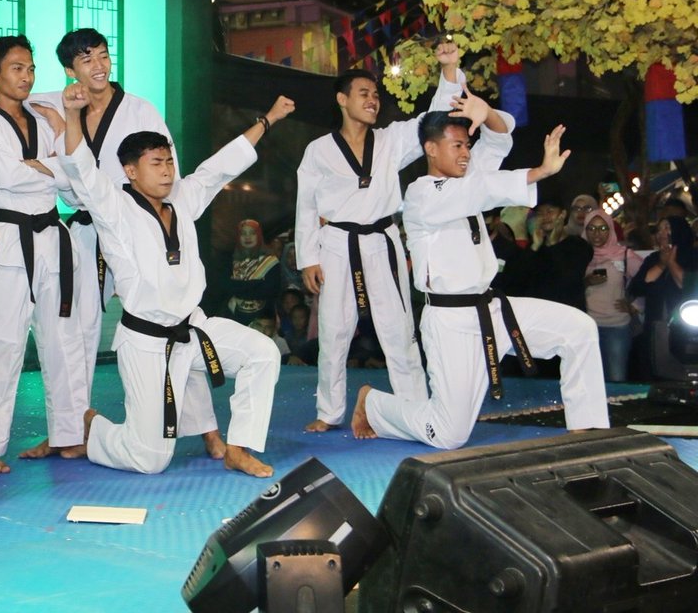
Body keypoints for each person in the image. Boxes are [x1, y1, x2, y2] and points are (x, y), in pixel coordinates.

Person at [58, 85, 294, 477]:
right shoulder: (113, 207)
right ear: (131, 171)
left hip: (192, 329)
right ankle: (96, 430)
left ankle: (239, 447)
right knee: (150, 459)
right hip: (146, 342)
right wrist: (70, 115)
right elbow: (80, 167)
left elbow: (221, 166)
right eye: (156, 163)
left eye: (169, 161)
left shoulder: (183, 198)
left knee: (262, 353)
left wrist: (268, 120)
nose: (168, 170)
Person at [353, 101, 610, 449]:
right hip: (451, 321)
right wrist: (539, 172)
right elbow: (480, 191)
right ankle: (373, 404)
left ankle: (588, 430)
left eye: (467, 146)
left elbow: (499, 139)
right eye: (456, 145)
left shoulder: (468, 177)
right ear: (431, 149)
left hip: (492, 309)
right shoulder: (420, 194)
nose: (465, 154)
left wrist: (485, 111)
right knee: (448, 435)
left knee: (579, 329)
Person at [25, 28, 223, 458]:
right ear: (71, 70)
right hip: (85, 230)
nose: (98, 66)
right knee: (74, 335)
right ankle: (69, 431)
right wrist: (60, 120)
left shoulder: (139, 110)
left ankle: (207, 429)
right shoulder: (61, 103)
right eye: (87, 60)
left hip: (136, 230)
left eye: (103, 55)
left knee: (175, 322)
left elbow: (166, 171)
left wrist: (166, 226)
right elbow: (19, 95)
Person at [295, 38, 463, 432]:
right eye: (364, 93)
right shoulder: (318, 150)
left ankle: (414, 409)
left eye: (375, 94)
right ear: (342, 99)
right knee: (334, 333)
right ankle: (329, 411)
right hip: (337, 245)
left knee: (398, 330)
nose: (373, 100)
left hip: (382, 241)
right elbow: (306, 206)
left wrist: (449, 70)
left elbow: (435, 118)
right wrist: (308, 258)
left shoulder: (390, 140)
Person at [0, 35, 89, 474]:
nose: (27, 76)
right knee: (0, 343)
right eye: (17, 68)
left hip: (52, 237)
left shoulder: (42, 117)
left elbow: (76, 183)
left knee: (64, 341)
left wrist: (48, 167)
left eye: (31, 68)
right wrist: (55, 167)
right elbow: (8, 176)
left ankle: (69, 435)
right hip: (11, 239)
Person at [582, 209, 644, 382]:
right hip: (585, 327)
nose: (597, 233)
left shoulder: (623, 255)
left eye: (603, 228)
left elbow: (649, 282)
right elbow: (565, 287)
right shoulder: (579, 255)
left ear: (611, 230)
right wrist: (586, 282)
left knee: (616, 379)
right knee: (589, 380)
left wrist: (636, 306)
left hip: (616, 327)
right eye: (591, 228)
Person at [524, 199, 592, 311]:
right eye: (540, 213)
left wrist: (553, 244)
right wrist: (534, 247)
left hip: (568, 314)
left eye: (550, 211)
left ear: (563, 214)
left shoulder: (579, 245)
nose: (545, 217)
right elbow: (520, 280)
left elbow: (569, 279)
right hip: (539, 314)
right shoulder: (535, 246)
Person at [226, 219, 282, 325]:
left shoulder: (270, 261)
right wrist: (256, 283)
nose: (247, 237)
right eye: (243, 233)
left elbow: (270, 291)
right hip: (235, 318)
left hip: (263, 319)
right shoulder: (230, 261)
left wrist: (239, 287)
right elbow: (226, 288)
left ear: (259, 235)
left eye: (252, 233)